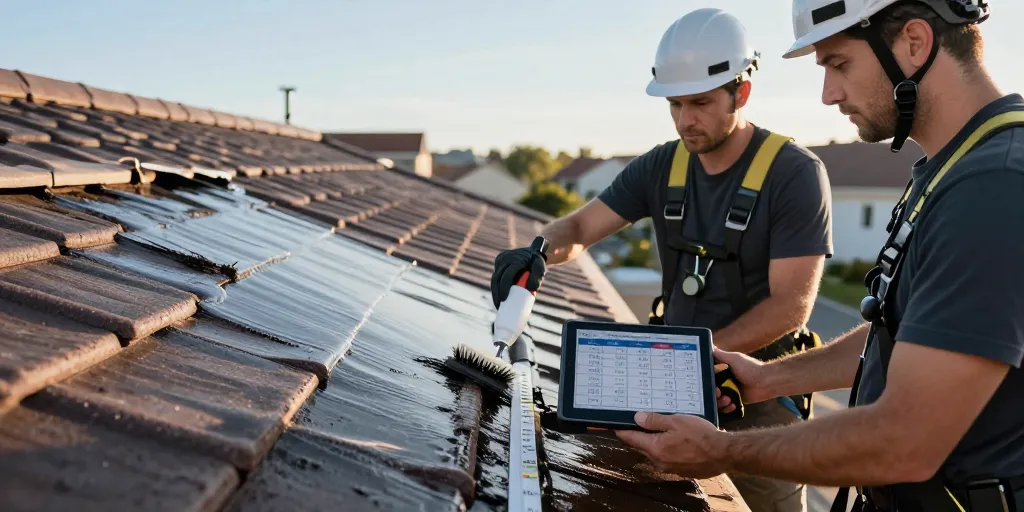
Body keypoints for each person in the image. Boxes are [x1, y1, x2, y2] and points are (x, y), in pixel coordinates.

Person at [614, 0, 1024, 510]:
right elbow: (898, 338)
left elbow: (904, 442)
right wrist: (768, 378)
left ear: (915, 43)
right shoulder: (952, 170)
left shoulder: (995, 185)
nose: (828, 94)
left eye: (838, 64)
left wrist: (721, 450)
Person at [490, 8, 833, 512]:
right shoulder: (662, 166)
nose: (684, 120)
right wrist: (538, 251)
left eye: (700, 103)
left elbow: (791, 306)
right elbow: (581, 228)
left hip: (754, 395)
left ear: (742, 92)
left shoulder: (794, 174)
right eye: (674, 104)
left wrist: (694, 361)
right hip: (667, 385)